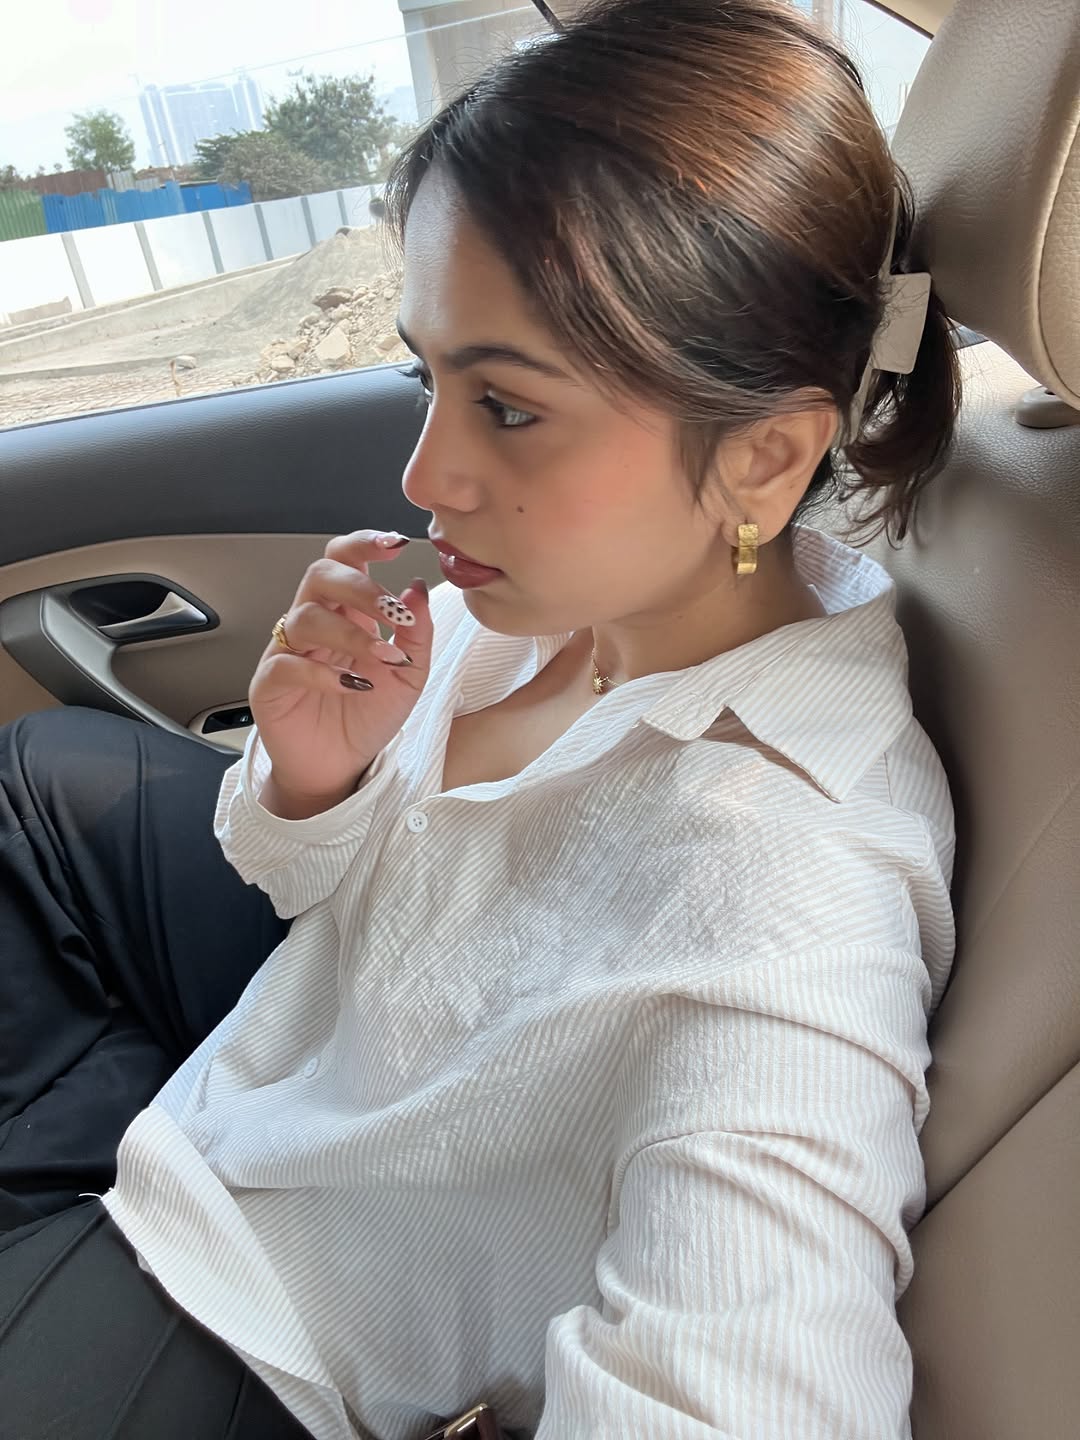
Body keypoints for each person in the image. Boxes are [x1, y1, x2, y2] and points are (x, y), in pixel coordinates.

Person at [0, 1, 960, 1436]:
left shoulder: (786, 888)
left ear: (763, 459)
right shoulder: (538, 607)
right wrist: (313, 787)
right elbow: (335, 899)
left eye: (507, 408)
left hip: (263, 1323)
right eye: (425, 374)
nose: (423, 474)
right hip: (276, 1098)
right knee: (36, 777)